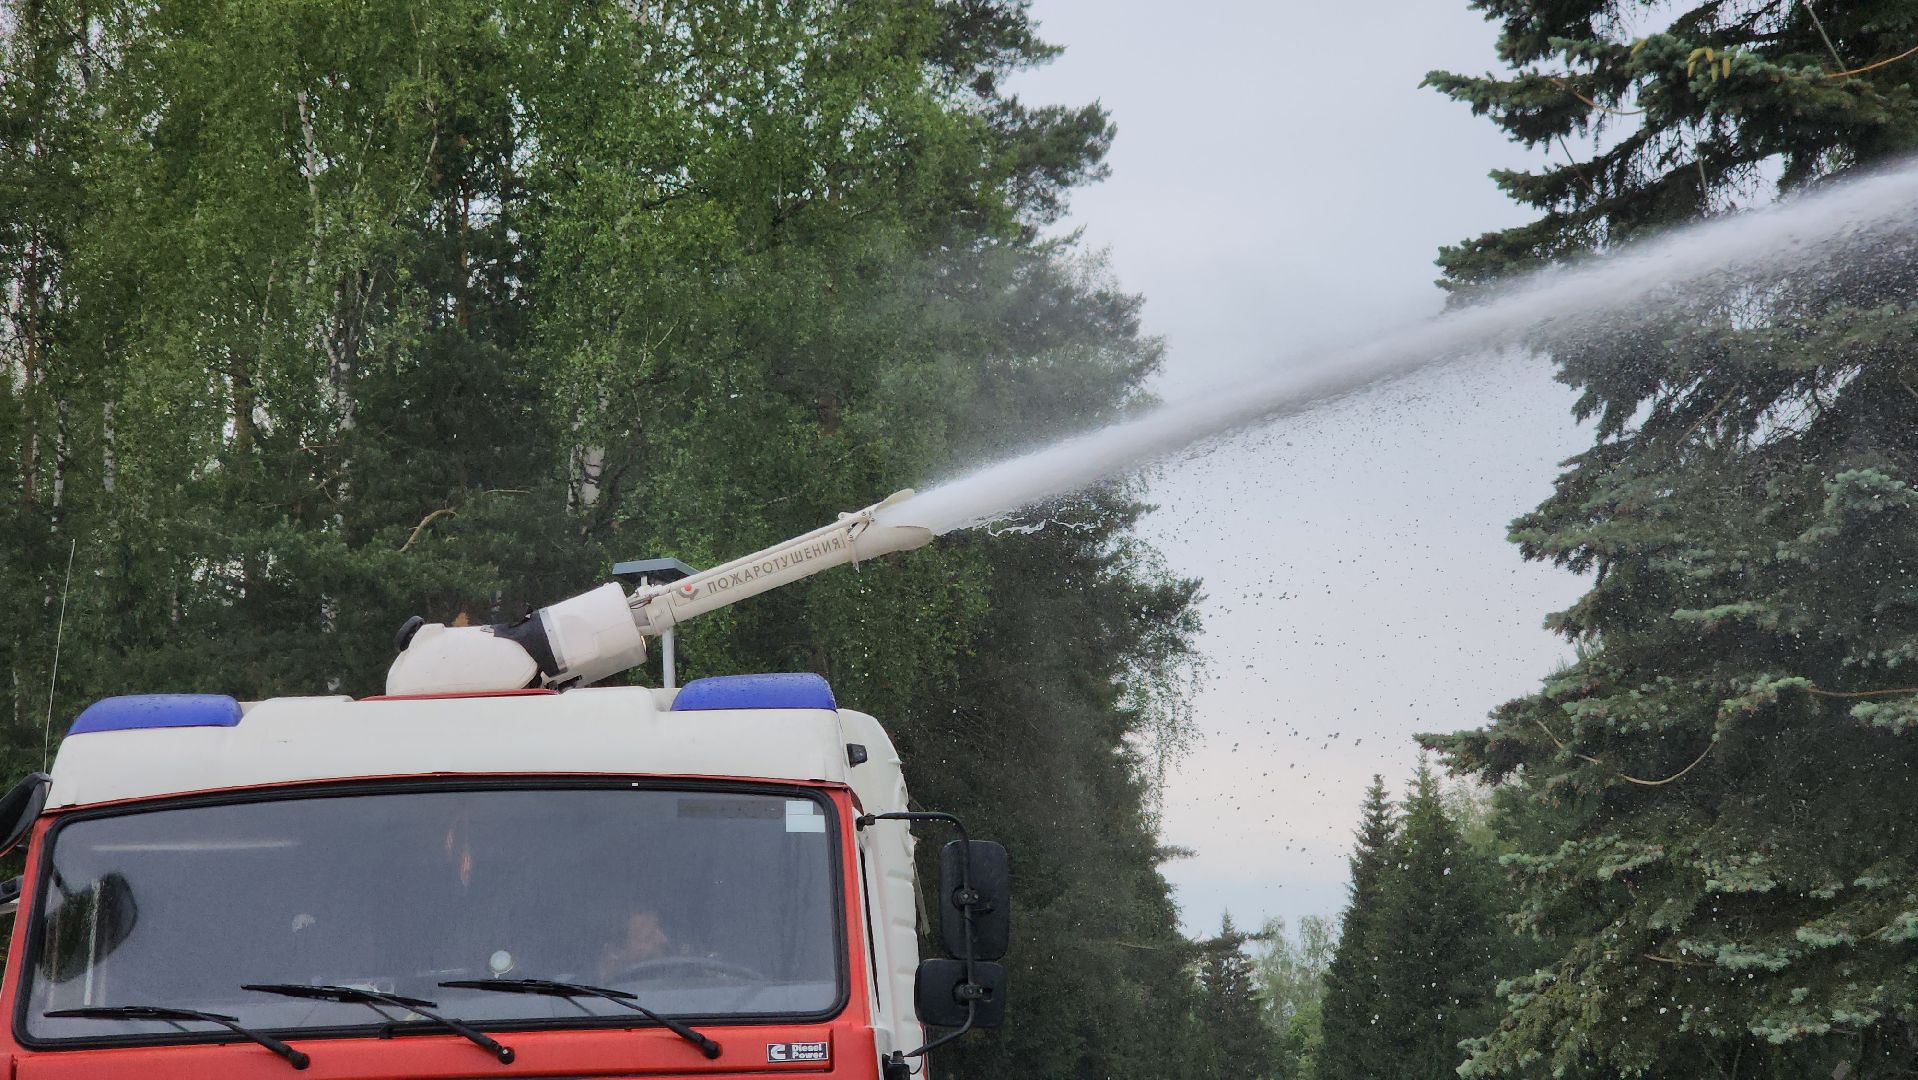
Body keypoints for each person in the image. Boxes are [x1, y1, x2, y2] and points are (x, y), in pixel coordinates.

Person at [595, 909, 670, 982]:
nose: (662, 940)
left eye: (659, 931)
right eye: (649, 937)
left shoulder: (678, 969)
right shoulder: (611, 982)